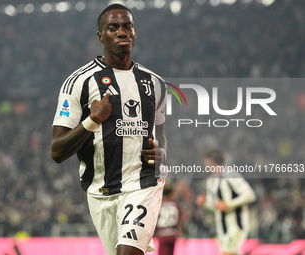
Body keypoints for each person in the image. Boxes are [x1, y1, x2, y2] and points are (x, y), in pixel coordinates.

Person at [50, 4, 167, 255]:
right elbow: (57, 151)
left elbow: (161, 138)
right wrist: (91, 121)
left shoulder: (155, 83)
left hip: (142, 183)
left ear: (135, 32)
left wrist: (162, 154)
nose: (122, 32)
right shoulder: (78, 83)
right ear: (100, 36)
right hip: (100, 192)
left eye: (128, 26)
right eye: (113, 27)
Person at [196, 148, 256, 255]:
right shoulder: (211, 181)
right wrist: (204, 204)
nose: (205, 164)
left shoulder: (230, 175)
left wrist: (228, 205)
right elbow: (214, 207)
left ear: (212, 160)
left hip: (236, 227)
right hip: (222, 230)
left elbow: (250, 195)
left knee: (227, 253)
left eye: (206, 160)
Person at [155, 183, 186, 255]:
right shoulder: (176, 204)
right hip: (173, 233)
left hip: (162, 234)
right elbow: (181, 220)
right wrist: (184, 234)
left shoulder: (159, 204)